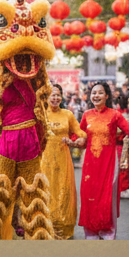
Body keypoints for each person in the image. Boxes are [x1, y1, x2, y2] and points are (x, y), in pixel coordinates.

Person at [77, 81, 129, 239]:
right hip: (90, 162)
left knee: (107, 196)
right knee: (89, 195)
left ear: (107, 96)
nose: (96, 95)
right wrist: (74, 140)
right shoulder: (86, 115)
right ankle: (91, 232)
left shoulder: (114, 114)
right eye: (93, 93)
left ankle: (107, 232)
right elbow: (79, 134)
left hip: (109, 162)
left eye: (99, 92)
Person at [38, 82, 85, 239]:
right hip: (44, 158)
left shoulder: (68, 115)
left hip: (63, 158)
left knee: (63, 191)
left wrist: (76, 140)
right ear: (47, 96)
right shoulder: (41, 113)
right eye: (52, 94)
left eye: (58, 94)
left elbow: (80, 132)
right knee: (46, 190)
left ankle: (63, 227)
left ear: (61, 97)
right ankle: (45, 226)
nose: (55, 97)